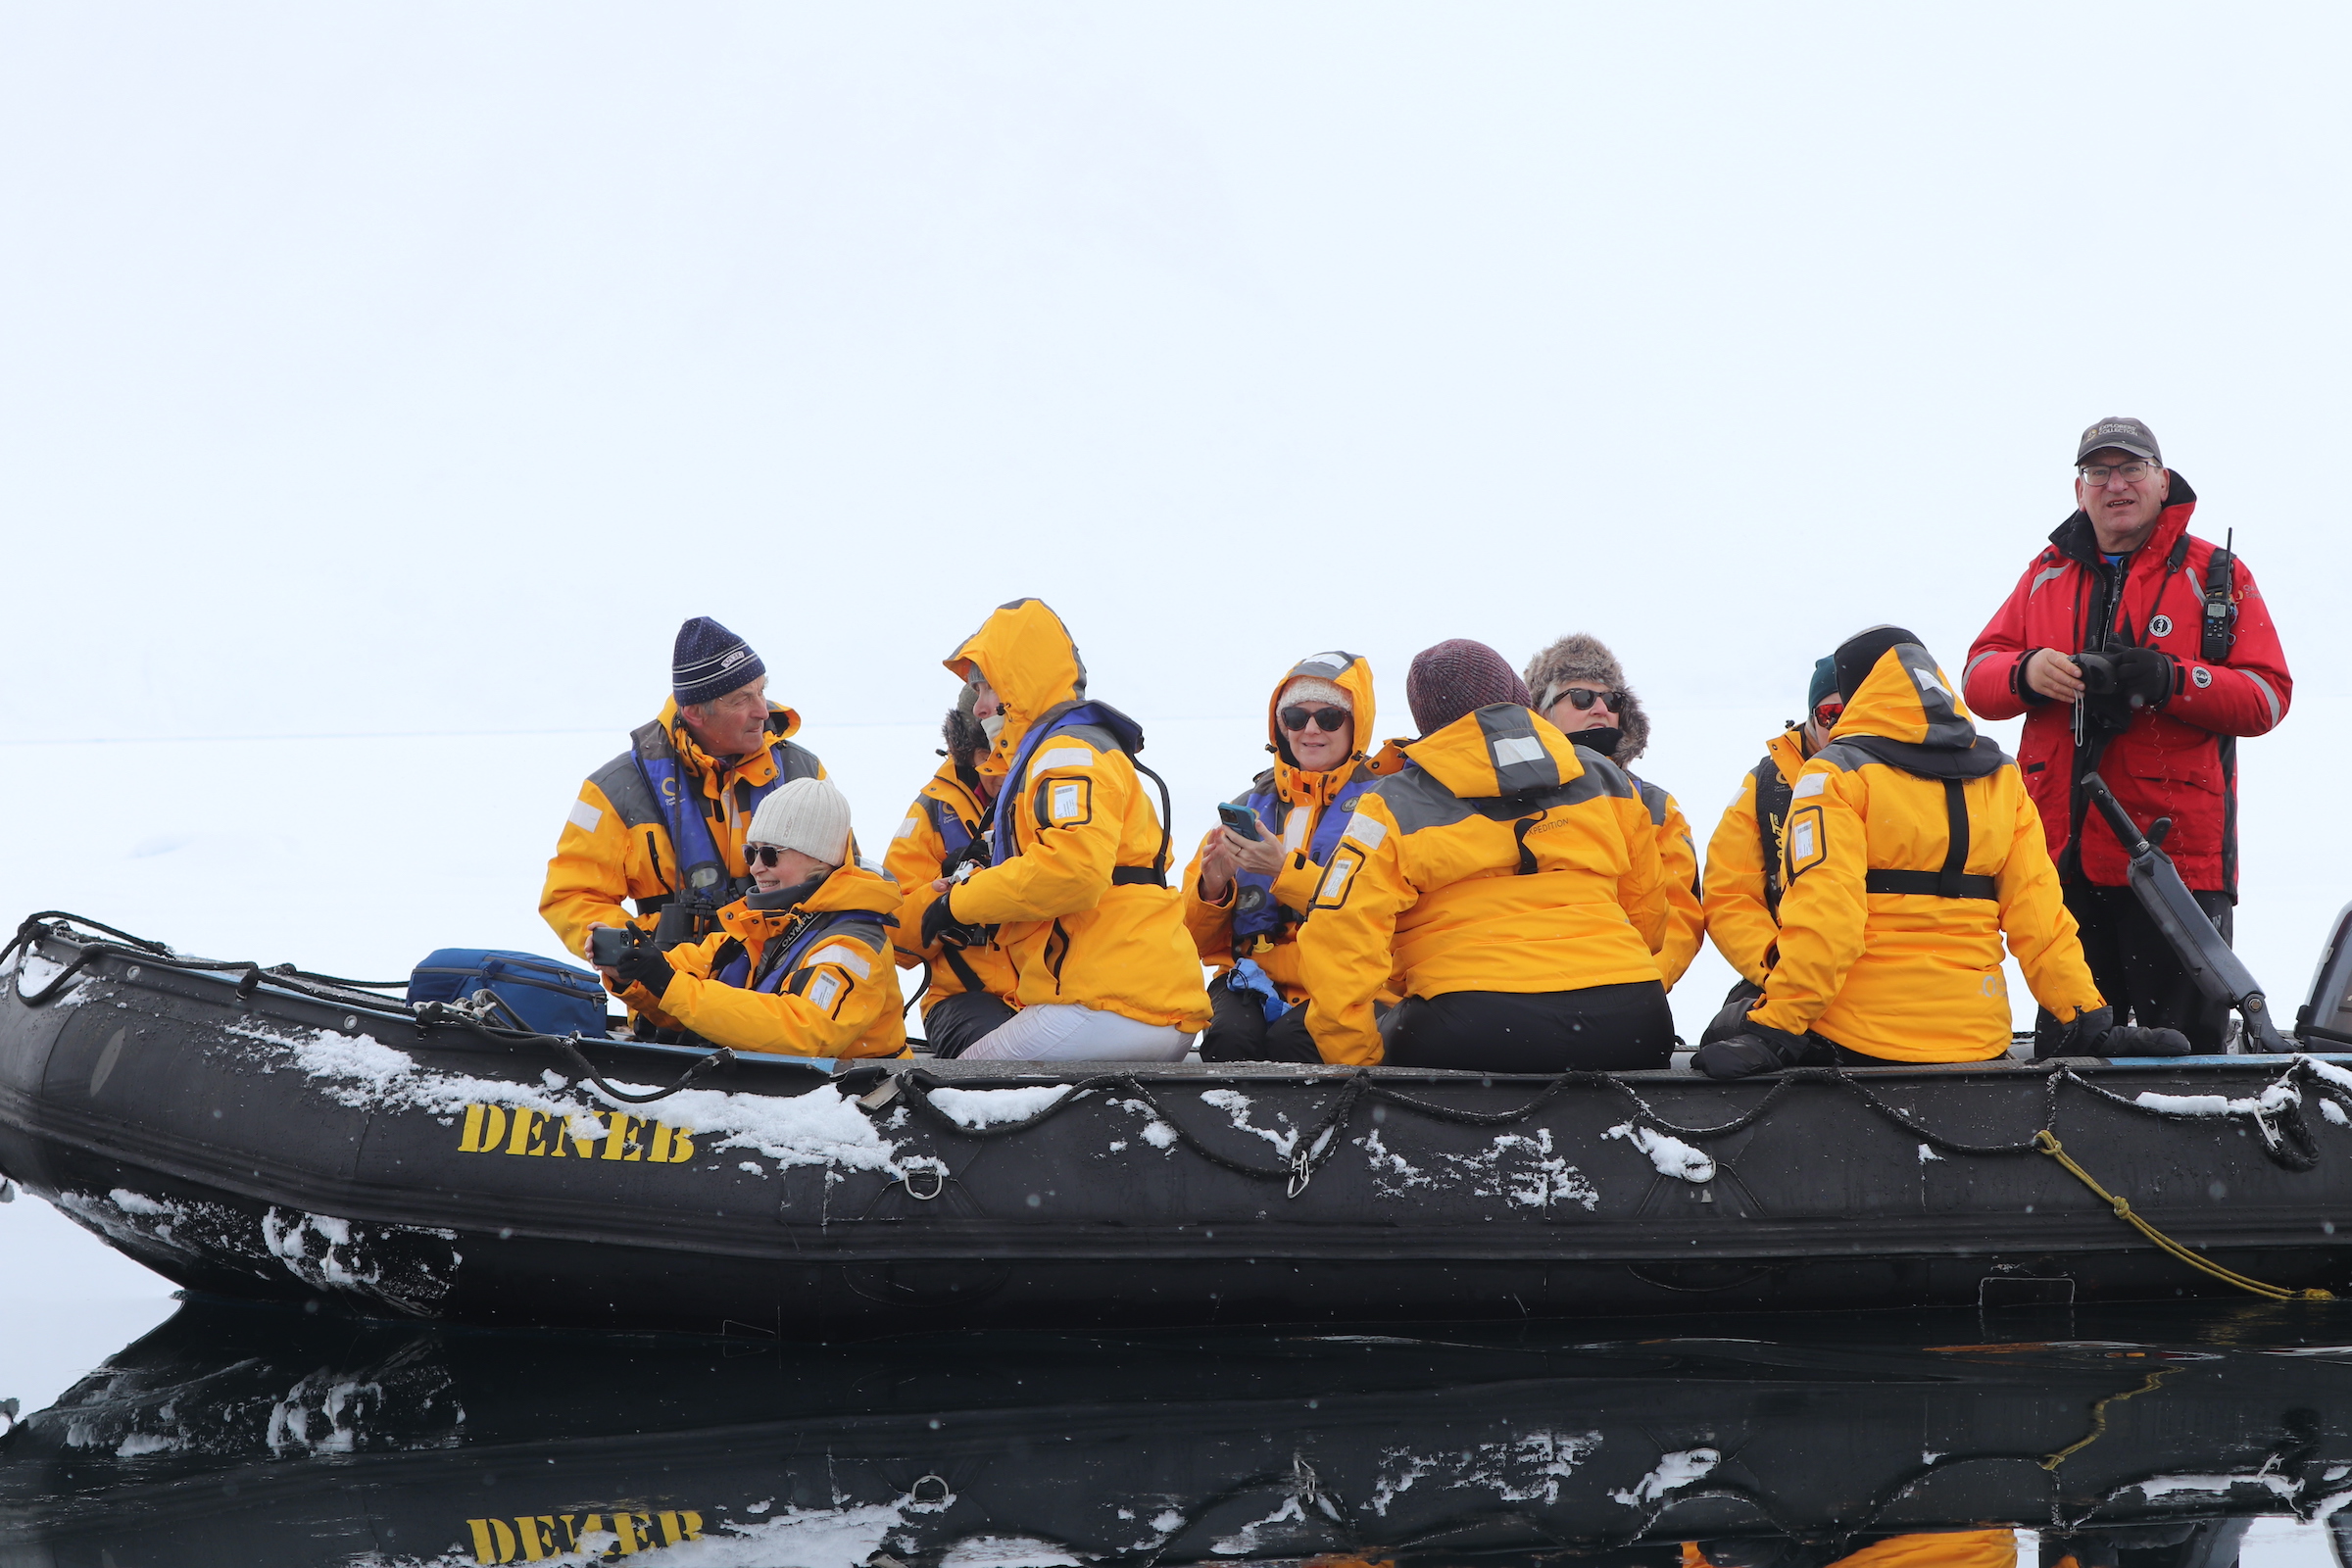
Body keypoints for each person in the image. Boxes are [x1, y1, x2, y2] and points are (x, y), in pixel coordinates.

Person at [1693, 626, 2170, 1080]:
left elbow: (1828, 922)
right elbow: (2042, 919)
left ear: (1862, 696)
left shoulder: (1834, 775)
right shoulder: (2002, 777)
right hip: (1977, 1035)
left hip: (1858, 1033)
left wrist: (1779, 1027)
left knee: (1726, 1028)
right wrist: (2085, 1018)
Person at [1964, 417, 2291, 1052]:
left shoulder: (2216, 576)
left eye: (2131, 469)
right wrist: (2029, 672)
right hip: (2061, 860)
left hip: (2176, 864)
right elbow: (1978, 676)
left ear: (2162, 480)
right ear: (2080, 489)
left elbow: (2267, 696)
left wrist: (2172, 679)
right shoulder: (2045, 574)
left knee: (2189, 1057)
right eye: (2099, 472)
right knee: (2070, 1051)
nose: (2116, 485)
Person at [1297, 639, 1674, 1071]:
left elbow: (1339, 936)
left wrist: (1358, 1064)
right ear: (1515, 697)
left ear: (1428, 721)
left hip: (1475, 1024)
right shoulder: (1604, 777)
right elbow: (1647, 912)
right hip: (1631, 1020)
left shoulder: (1391, 804)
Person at [918, 599, 1211, 1061]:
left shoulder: (1065, 755)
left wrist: (958, 903)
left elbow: (1071, 870)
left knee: (964, 1084)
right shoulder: (1070, 750)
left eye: (983, 689)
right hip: (1145, 1001)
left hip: (1113, 1006)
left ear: (1016, 685)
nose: (977, 708)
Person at [542, 617, 826, 976]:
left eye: (761, 690)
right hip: (670, 996)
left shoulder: (803, 771)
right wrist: (636, 949)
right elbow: (571, 895)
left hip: (784, 991)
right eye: (742, 699)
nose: (762, 710)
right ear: (694, 712)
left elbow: (843, 876)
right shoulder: (613, 791)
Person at [598, 777, 906, 1058]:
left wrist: (670, 985)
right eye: (751, 853)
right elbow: (682, 980)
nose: (756, 867)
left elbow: (806, 1032)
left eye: (770, 854)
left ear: (820, 858)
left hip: (853, 1100)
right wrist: (635, 977)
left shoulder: (853, 945)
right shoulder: (757, 925)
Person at [1183, 652, 1383, 1063]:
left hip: (1345, 977)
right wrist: (1213, 888)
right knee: (1228, 1042)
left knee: (1296, 1044)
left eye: (1329, 717)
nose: (1310, 729)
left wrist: (1282, 870)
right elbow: (1190, 943)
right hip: (1252, 979)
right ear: (1280, 726)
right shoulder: (1247, 808)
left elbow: (1375, 912)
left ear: (1355, 727)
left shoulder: (1384, 808)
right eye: (1295, 717)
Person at [1523, 634, 1702, 989]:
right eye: (1581, 697)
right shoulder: (1506, 795)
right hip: (1520, 988)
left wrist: (1642, 986)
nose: (1601, 708)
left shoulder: (1654, 806)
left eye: (1613, 699)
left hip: (1623, 995)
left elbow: (1680, 916)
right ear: (1540, 712)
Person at [1696, 656, 1839, 1042]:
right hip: (1785, 973)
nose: (1847, 727)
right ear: (1810, 718)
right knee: (1724, 1042)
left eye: (1862, 712)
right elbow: (1729, 896)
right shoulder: (1765, 788)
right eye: (1833, 713)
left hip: (1887, 974)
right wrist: (1779, 964)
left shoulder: (1901, 781)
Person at [885, 677, 1022, 1058]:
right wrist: (949, 892)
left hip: (1056, 993)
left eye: (1008, 755)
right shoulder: (929, 814)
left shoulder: (1051, 797)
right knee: (1010, 1062)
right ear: (965, 752)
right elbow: (896, 943)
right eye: (987, 756)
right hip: (962, 998)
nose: (999, 769)